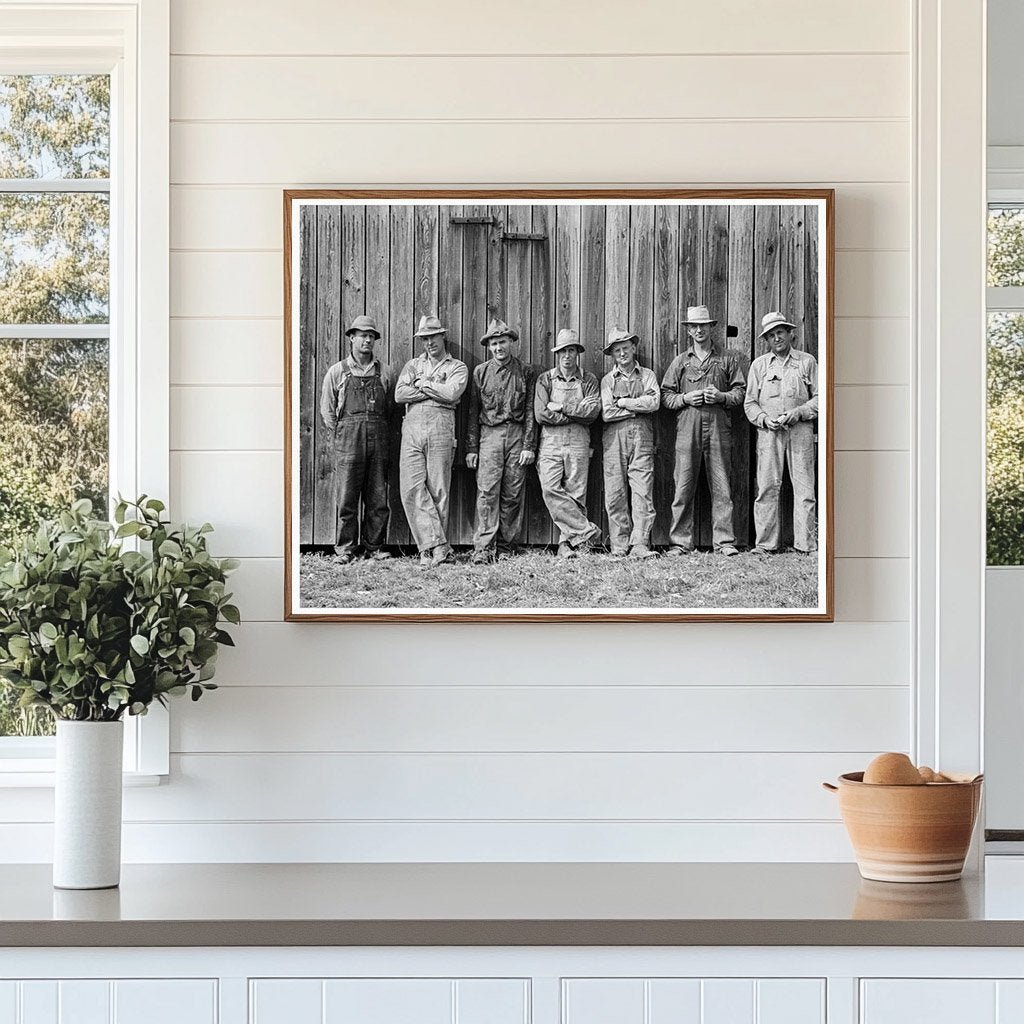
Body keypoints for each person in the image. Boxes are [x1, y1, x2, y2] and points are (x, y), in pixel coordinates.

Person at [660, 305, 746, 557]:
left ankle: (724, 542)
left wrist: (720, 396)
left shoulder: (728, 359)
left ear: (711, 328)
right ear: (689, 331)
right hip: (688, 428)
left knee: (721, 485)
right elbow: (666, 396)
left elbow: (740, 393)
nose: (699, 330)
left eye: (703, 326)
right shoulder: (680, 361)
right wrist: (686, 398)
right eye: (694, 326)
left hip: (718, 429)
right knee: (683, 486)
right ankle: (680, 543)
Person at [318, 314, 395, 564]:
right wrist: (341, 434)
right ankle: (345, 549)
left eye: (371, 336)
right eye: (362, 335)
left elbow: (391, 409)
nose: (367, 340)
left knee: (377, 497)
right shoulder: (337, 371)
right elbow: (327, 410)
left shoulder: (384, 372)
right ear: (352, 338)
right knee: (347, 497)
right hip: (348, 442)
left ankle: (374, 547)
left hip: (379, 441)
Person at [394, 315, 469, 567]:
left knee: (439, 489)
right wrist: (435, 390)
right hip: (412, 427)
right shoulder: (413, 363)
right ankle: (436, 544)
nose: (429, 343)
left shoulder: (457, 366)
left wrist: (422, 384)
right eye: (424, 339)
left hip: (441, 427)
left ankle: (430, 551)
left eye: (432, 337)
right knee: (410, 487)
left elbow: (452, 393)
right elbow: (399, 394)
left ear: (442, 336)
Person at [744, 310, 819, 554]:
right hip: (769, 434)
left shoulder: (807, 362)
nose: (776, 338)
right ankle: (765, 545)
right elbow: (749, 403)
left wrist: (799, 413)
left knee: (805, 489)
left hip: (800, 432)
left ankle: (805, 545)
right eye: (771, 335)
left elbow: (821, 399)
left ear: (790, 334)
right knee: (766, 487)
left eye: (780, 333)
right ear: (766, 340)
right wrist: (764, 419)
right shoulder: (760, 365)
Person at [465, 318, 538, 564]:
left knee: (513, 493)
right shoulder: (480, 372)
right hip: (489, 436)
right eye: (494, 343)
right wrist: (471, 448)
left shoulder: (525, 372)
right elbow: (473, 413)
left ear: (511, 343)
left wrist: (529, 446)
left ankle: (507, 547)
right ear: (489, 346)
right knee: (486, 491)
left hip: (516, 435)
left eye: (503, 342)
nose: (499, 347)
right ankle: (483, 549)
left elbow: (530, 412)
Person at [534, 328, 602, 558]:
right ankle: (586, 531)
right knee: (550, 488)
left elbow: (592, 413)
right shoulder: (545, 379)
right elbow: (542, 415)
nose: (567, 356)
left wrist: (562, 407)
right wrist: (576, 412)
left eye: (571, 350)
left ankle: (567, 545)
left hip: (578, 441)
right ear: (557, 353)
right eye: (563, 351)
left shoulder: (589, 379)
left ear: (577, 353)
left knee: (576, 493)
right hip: (550, 443)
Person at [599, 328, 661, 558]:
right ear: (612, 355)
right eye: (617, 350)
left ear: (634, 348)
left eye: (626, 348)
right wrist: (636, 408)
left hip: (642, 438)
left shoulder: (647, 375)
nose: (622, 353)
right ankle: (619, 545)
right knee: (615, 492)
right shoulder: (607, 380)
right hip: (614, 439)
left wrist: (624, 402)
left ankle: (640, 544)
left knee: (643, 490)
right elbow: (607, 413)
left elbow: (654, 402)